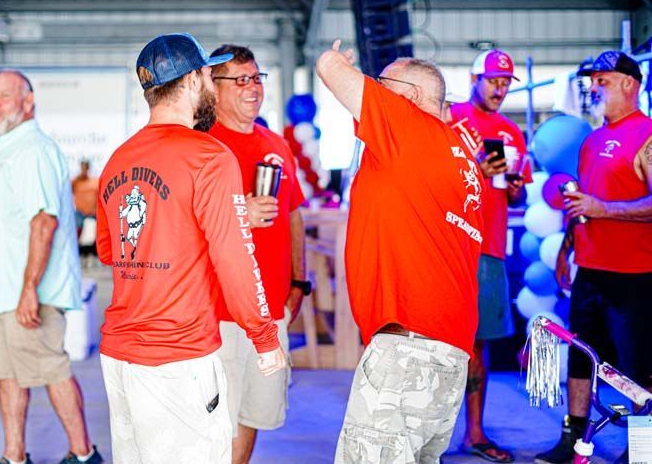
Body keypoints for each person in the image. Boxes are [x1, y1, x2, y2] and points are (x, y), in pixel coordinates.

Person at [96, 33, 287, 464]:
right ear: (192, 80)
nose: (209, 83)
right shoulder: (209, 156)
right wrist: (263, 336)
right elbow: (235, 259)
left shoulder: (119, 159)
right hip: (178, 359)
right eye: (206, 73)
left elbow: (111, 252)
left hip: (120, 357)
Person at [316, 41, 484, 463]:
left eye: (381, 84)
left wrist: (337, 61)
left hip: (408, 348)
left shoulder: (407, 126)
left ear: (408, 97)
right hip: (447, 352)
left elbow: (329, 70)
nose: (373, 90)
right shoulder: (457, 152)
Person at [0, 69, 102, 464]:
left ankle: (83, 455)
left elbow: (44, 221)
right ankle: (14, 456)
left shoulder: (32, 148)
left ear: (28, 102)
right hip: (4, 293)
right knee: (8, 374)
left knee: (51, 370)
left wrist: (30, 288)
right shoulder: (8, 147)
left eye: (4, 96)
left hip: (28, 293)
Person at [536, 51, 652, 464]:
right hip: (591, 269)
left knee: (638, 366)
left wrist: (605, 209)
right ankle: (572, 438)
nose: (593, 88)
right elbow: (584, 202)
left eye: (602, 81)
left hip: (636, 274)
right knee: (581, 358)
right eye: (591, 82)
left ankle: (641, 450)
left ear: (629, 83)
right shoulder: (591, 140)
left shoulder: (648, 133)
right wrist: (568, 247)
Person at [207, 43, 307, 464]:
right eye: (240, 80)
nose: (252, 88)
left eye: (256, 78)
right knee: (216, 418)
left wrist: (300, 282)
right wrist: (238, 212)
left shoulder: (276, 144)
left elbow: (294, 214)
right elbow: (178, 227)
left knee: (254, 411)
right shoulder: (202, 146)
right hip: (220, 311)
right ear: (213, 88)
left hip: (270, 312)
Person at [448, 49, 533, 463]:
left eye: (506, 83)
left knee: (477, 345)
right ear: (474, 78)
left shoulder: (511, 132)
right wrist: (474, 170)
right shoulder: (449, 119)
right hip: (447, 244)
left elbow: (517, 194)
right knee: (435, 341)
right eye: (493, 80)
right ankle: (428, 431)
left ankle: (474, 433)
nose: (500, 89)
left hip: (490, 248)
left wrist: (513, 185)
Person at [71, 159, 98, 235]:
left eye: (85, 167)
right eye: (83, 167)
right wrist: (79, 177)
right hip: (80, 213)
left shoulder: (95, 181)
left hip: (93, 214)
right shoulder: (76, 182)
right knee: (75, 228)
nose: (84, 170)